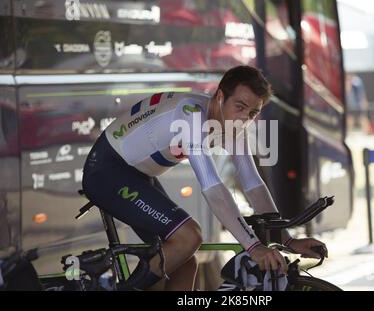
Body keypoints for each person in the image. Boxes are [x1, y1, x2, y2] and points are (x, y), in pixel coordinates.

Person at [81, 65, 327, 291]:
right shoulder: (191, 114)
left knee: (183, 260)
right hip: (107, 171)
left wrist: (287, 240)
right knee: (189, 236)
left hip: (137, 175)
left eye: (252, 113)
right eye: (239, 107)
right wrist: (253, 247)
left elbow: (253, 185)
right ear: (220, 97)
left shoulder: (234, 125)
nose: (244, 118)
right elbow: (212, 188)